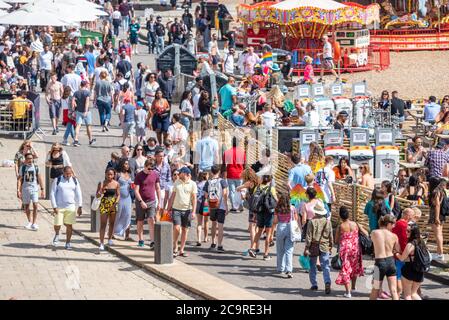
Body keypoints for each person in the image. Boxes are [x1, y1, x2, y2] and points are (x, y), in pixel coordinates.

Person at [335, 206, 366, 298]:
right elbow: (366, 233)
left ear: (340, 216)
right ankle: (353, 287)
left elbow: (336, 240)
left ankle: (348, 292)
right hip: (356, 249)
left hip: (345, 250)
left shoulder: (340, 226)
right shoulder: (355, 224)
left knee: (345, 269)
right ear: (348, 215)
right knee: (354, 267)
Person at [167, 166, 197, 257]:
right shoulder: (177, 182)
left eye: (180, 173)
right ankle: (175, 246)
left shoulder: (193, 184)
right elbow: (172, 196)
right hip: (176, 209)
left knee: (185, 230)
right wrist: (168, 208)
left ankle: (182, 250)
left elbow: (194, 198)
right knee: (176, 228)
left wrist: (193, 211)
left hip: (187, 210)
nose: (178, 174)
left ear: (186, 174)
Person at [304, 200, 333, 294]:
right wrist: (331, 245)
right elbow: (330, 235)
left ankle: (314, 284)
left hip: (313, 245)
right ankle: (327, 282)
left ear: (315, 211)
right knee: (326, 266)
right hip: (324, 245)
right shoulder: (328, 222)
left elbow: (308, 236)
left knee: (312, 266)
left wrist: (306, 248)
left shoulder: (311, 222)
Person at [50, 166, 82, 250]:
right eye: (67, 173)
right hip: (59, 207)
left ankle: (68, 243)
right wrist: (54, 206)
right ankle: (57, 234)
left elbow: (79, 193)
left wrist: (80, 206)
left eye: (70, 173)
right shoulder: (58, 180)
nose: (68, 175)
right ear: (63, 172)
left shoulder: (74, 180)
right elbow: (52, 193)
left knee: (69, 225)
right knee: (57, 224)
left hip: (70, 206)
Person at [369, 215, 400, 300]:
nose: (394, 226)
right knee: (393, 290)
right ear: (388, 224)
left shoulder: (374, 232)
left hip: (379, 262)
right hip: (391, 262)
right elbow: (398, 249)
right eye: (393, 224)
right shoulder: (394, 236)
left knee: (375, 288)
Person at [248, 175, 278, 260]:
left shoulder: (257, 187)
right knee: (268, 233)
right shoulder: (271, 188)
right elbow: (275, 199)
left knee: (259, 231)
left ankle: (253, 248)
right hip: (269, 212)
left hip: (259, 212)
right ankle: (266, 254)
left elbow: (254, 200)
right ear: (269, 180)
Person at [134, 158, 162, 248]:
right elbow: (136, 190)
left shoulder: (155, 174)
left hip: (152, 201)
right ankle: (141, 239)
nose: (151, 171)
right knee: (140, 221)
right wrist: (141, 201)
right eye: (149, 169)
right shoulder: (139, 175)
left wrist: (160, 202)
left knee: (151, 220)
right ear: (145, 166)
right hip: (141, 202)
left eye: (152, 169)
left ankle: (152, 241)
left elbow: (158, 188)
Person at [394, 224, 427, 300]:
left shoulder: (410, 244)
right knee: (414, 293)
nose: (406, 232)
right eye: (406, 230)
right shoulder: (422, 242)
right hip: (420, 270)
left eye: (408, 231)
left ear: (413, 232)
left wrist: (396, 253)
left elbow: (402, 258)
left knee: (407, 295)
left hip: (409, 269)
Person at [203, 165, 229, 252]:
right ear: (219, 172)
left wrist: (208, 206)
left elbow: (206, 195)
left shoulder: (208, 182)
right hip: (221, 206)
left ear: (211, 172)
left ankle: (213, 243)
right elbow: (225, 194)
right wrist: (226, 206)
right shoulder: (222, 181)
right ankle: (220, 245)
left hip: (212, 205)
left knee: (213, 224)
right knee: (220, 225)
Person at [392, 207, 416, 297]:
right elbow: (406, 240)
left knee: (399, 275)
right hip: (404, 253)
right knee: (400, 276)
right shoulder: (404, 225)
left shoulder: (397, 223)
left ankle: (400, 294)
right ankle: (399, 294)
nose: (412, 217)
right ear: (407, 215)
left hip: (398, 253)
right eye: (411, 215)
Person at [17, 152, 44, 231]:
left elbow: (40, 178)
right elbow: (19, 179)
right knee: (27, 206)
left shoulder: (36, 167)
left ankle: (34, 223)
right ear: (25, 159)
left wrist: (42, 189)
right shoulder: (23, 168)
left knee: (35, 205)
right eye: (28, 158)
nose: (30, 160)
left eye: (31, 158)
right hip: (25, 189)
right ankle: (30, 221)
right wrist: (18, 190)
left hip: (34, 189)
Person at [96, 168, 120, 252]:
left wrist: (115, 203)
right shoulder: (102, 183)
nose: (109, 176)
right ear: (105, 174)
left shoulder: (116, 183)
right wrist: (100, 191)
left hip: (113, 205)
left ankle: (109, 239)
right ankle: (101, 243)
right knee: (103, 224)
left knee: (112, 223)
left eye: (111, 174)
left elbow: (118, 195)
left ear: (114, 175)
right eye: (108, 174)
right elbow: (97, 195)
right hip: (104, 204)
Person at [274, 192, 298, 278]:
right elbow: (296, 219)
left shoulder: (278, 208)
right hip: (290, 228)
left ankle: (280, 268)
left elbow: (275, 221)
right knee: (289, 250)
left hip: (281, 227)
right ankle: (289, 270)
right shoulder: (292, 208)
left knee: (280, 249)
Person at [223, 137, 246, 212]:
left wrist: (222, 172)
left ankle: (234, 207)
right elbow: (244, 163)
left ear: (231, 142)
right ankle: (241, 206)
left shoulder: (227, 152)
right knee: (240, 190)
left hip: (230, 174)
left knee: (232, 191)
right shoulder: (242, 152)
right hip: (240, 174)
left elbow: (223, 164)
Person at [428, 177, 447, 261]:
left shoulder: (435, 192)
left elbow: (437, 205)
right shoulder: (441, 191)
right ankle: (439, 252)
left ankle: (440, 254)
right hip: (441, 215)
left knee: (438, 235)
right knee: (440, 235)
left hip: (436, 215)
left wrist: (436, 217)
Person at [114, 159, 133, 241]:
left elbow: (132, 186)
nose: (127, 165)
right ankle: (112, 233)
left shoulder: (130, 174)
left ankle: (127, 236)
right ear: (122, 164)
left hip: (128, 198)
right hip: (119, 198)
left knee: (128, 215)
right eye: (125, 164)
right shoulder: (118, 174)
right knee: (118, 215)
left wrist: (133, 186)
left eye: (128, 164)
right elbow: (114, 185)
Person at [73, 80, 96, 147]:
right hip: (86, 112)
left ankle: (76, 140)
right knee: (88, 126)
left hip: (78, 111)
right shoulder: (87, 93)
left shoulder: (76, 93)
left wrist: (73, 110)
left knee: (78, 126)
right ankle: (90, 140)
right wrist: (85, 111)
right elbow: (87, 102)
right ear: (85, 85)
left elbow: (73, 101)